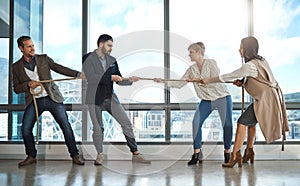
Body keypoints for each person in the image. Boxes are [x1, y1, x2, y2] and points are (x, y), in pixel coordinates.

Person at [198, 36, 289, 168]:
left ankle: (235, 156)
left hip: (266, 101)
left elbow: (229, 75)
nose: (239, 50)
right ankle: (249, 151)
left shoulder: (250, 65)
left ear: (246, 49)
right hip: (269, 98)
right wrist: (242, 83)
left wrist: (208, 80)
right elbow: (260, 80)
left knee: (241, 122)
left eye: (241, 47)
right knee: (250, 123)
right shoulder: (261, 61)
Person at [154, 42, 233, 165]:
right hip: (206, 99)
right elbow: (179, 83)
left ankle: (227, 153)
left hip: (222, 97)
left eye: (191, 52)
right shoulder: (191, 70)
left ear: (199, 53)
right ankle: (196, 153)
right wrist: (163, 81)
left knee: (227, 125)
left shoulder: (211, 63)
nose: (189, 55)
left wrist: (197, 80)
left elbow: (215, 78)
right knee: (196, 123)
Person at [12, 35, 85, 166]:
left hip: (52, 98)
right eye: (29, 46)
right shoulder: (16, 67)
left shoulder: (43, 59)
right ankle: (31, 156)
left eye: (32, 45)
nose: (32, 48)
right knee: (25, 129)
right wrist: (27, 84)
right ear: (21, 48)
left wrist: (77, 74)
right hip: (34, 101)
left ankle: (75, 155)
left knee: (66, 127)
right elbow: (16, 88)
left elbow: (59, 68)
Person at [82, 34, 151, 165]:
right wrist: (110, 78)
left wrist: (129, 80)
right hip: (94, 99)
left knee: (126, 123)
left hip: (110, 98)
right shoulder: (87, 58)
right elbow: (92, 77)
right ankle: (100, 154)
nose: (111, 48)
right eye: (109, 45)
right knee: (98, 129)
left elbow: (118, 79)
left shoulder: (112, 60)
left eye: (112, 46)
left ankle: (135, 153)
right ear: (101, 44)